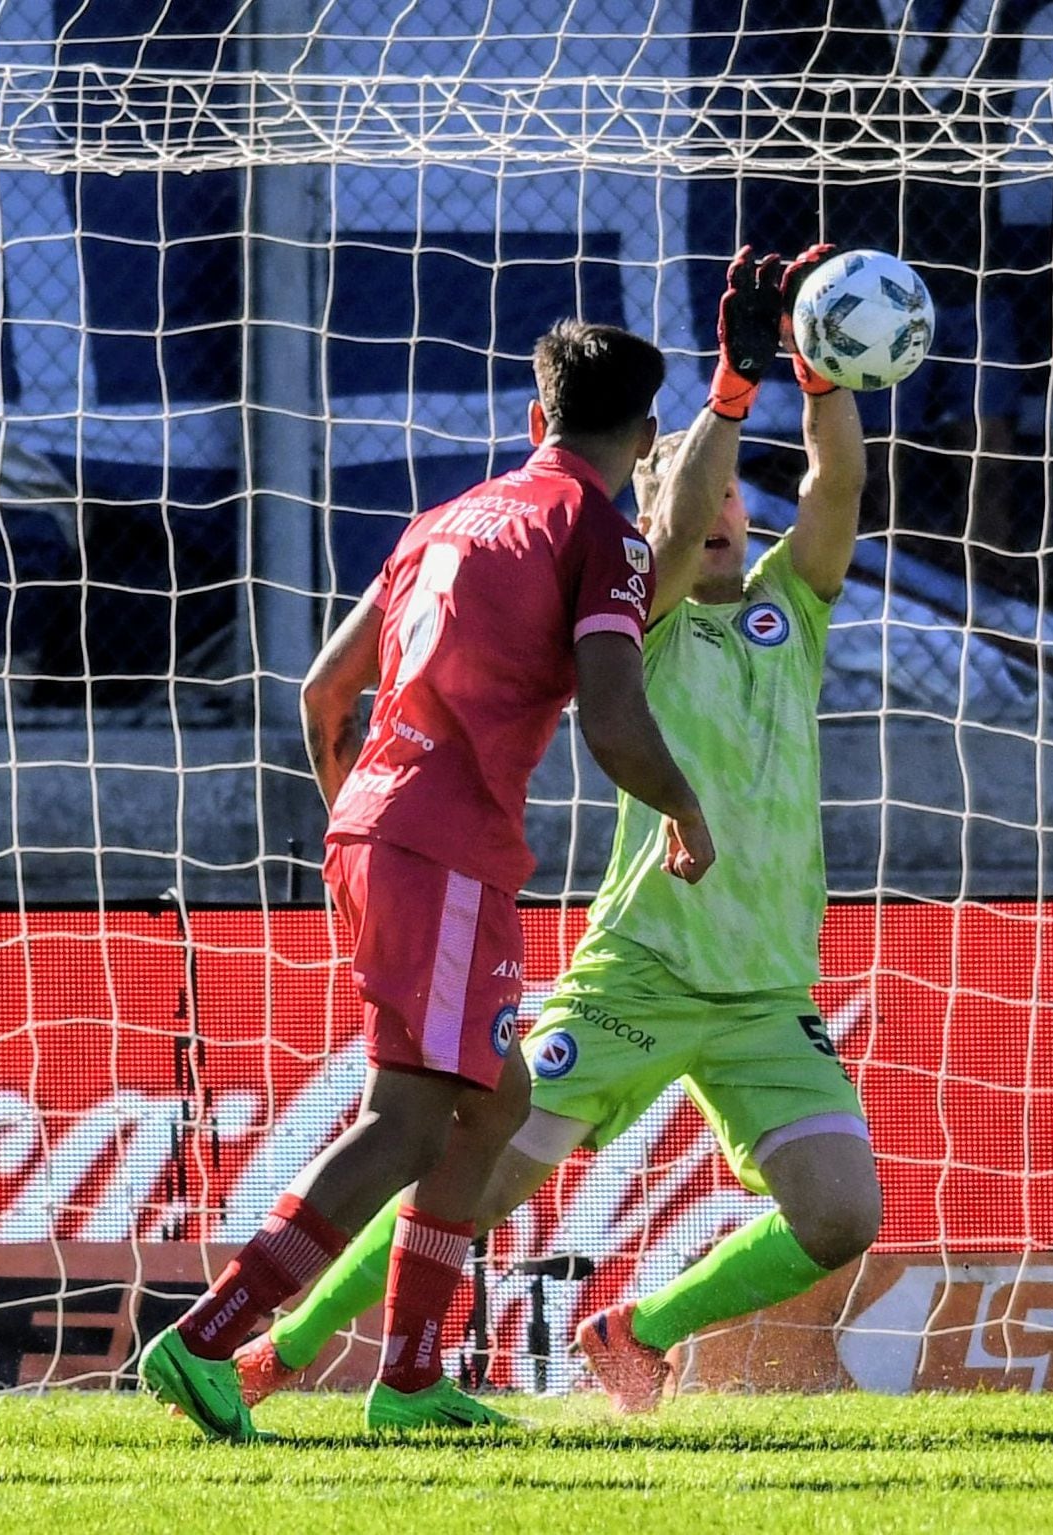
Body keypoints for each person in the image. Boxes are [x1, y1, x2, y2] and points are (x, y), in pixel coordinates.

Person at [230, 246, 882, 1416]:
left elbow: (834, 487)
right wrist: (723, 403)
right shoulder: (643, 604)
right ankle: (289, 1343)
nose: (722, 506)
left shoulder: (796, 605)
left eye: (734, 490)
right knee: (468, 1177)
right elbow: (675, 536)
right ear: (653, 506)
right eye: (694, 486)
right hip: (639, 968)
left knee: (842, 1217)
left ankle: (637, 1326)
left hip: (767, 986)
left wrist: (817, 365)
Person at [138, 319, 715, 1440]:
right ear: (646, 437)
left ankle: (407, 1378)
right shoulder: (598, 535)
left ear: (535, 418)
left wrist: (357, 814)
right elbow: (612, 715)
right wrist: (684, 806)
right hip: (441, 844)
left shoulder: (443, 517)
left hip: (377, 826)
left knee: (490, 1100)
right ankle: (209, 1335)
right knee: (406, 1120)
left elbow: (319, 690)